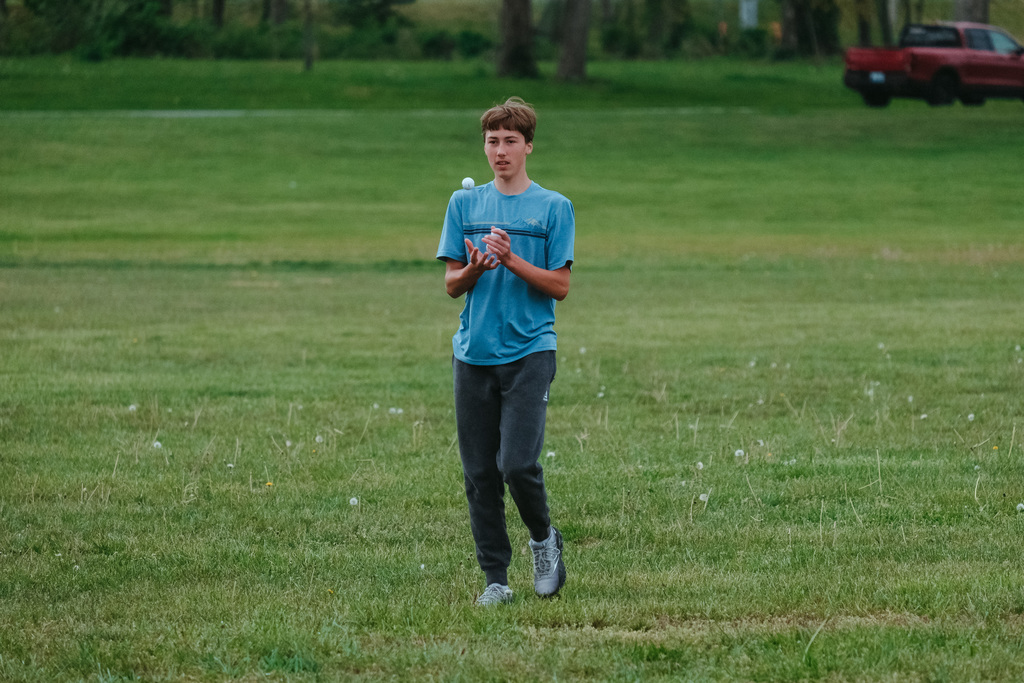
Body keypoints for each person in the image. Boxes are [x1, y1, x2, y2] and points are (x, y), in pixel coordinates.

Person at [436, 97, 575, 606]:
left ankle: (544, 539)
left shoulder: (554, 208)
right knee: (479, 475)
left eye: (510, 141)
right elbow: (452, 284)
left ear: (528, 146)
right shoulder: (464, 205)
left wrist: (511, 260)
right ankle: (496, 578)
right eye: (492, 141)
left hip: (530, 351)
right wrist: (474, 269)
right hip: (473, 354)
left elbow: (559, 286)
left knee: (517, 464)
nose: (500, 151)